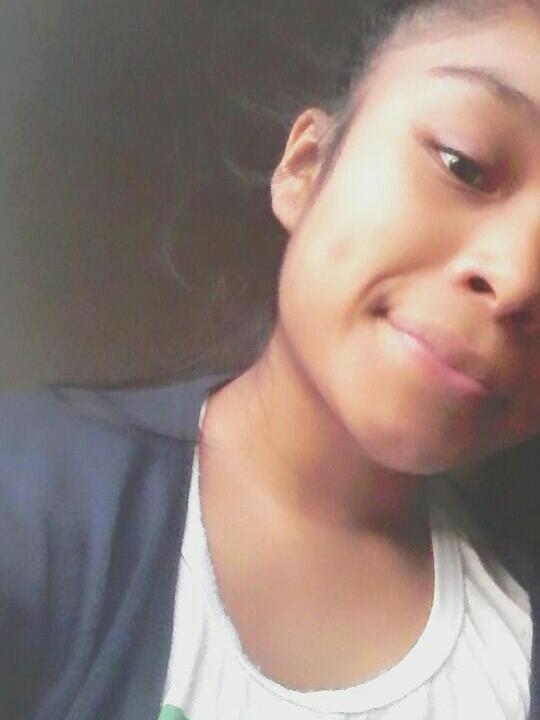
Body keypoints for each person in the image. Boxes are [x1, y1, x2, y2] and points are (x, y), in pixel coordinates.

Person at [2, 0, 540, 718]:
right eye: (463, 164)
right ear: (306, 168)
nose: (519, 279)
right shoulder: (29, 497)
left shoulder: (517, 629)